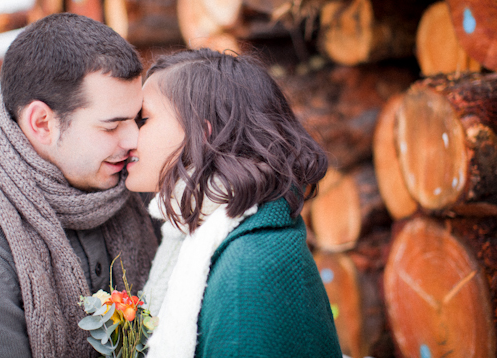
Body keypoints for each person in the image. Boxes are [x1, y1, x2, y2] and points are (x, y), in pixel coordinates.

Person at [0, 13, 159, 358]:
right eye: (111, 126)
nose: (134, 138)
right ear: (42, 123)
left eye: (137, 118)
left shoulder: (135, 181)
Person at [127, 48, 343, 358]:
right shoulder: (213, 233)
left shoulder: (250, 270)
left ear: (200, 134)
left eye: (143, 119)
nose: (129, 134)